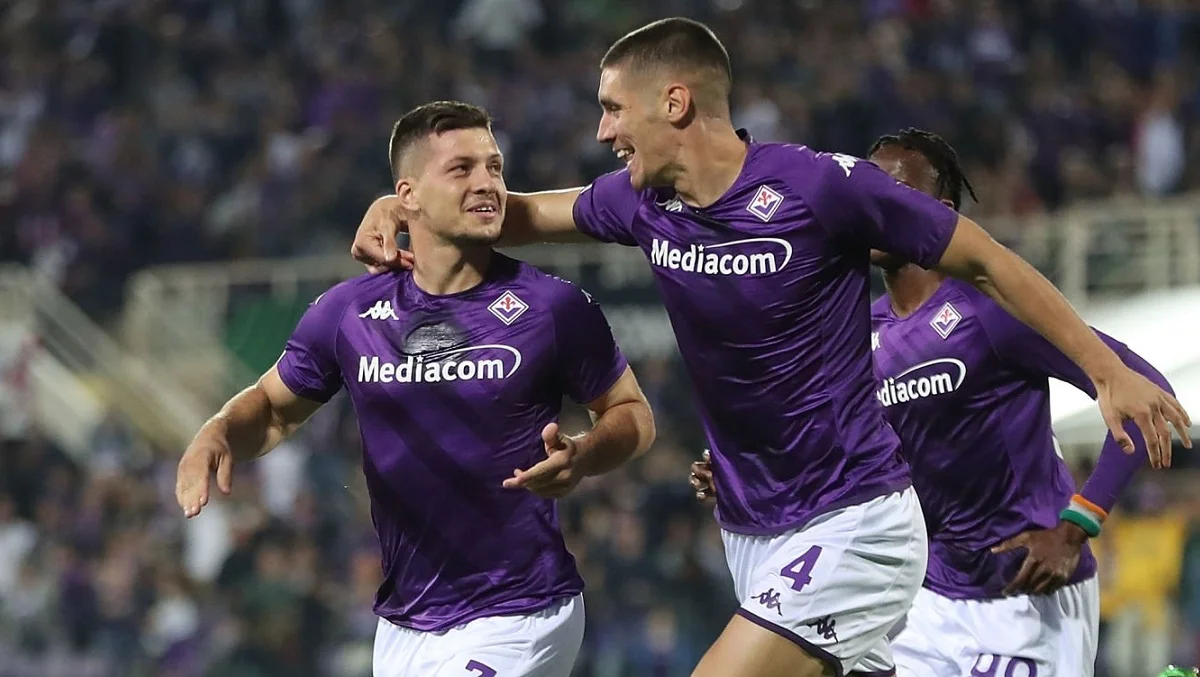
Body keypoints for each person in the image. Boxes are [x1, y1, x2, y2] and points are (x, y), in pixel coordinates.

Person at [347, 18, 1191, 677]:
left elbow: (988, 261)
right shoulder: (643, 205)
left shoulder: (820, 186)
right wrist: (403, 207)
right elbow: (522, 215)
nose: (603, 131)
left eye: (613, 108)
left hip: (854, 522)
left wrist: (1106, 370)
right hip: (754, 532)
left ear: (674, 102)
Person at [175, 101, 656, 677]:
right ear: (407, 195)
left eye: (495, 167)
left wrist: (586, 453)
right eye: (461, 169)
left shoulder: (553, 308)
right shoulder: (348, 313)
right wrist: (219, 430)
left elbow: (632, 413)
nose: (487, 183)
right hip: (405, 626)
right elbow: (274, 410)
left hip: (521, 612)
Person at [690, 128, 1179, 677]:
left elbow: (1143, 389)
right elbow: (830, 446)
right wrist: (748, 475)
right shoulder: (858, 330)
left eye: (893, 188)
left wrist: (1077, 526)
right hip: (925, 599)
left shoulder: (991, 311)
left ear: (937, 211)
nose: (873, 201)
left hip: (1025, 595)